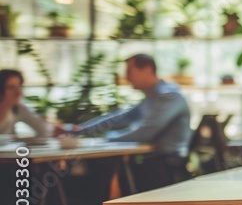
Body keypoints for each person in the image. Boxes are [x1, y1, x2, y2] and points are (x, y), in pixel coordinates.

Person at [66, 54, 192, 189]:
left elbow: (145, 133)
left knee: (101, 169)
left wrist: (103, 141)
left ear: (147, 70)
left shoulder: (169, 96)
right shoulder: (151, 98)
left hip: (168, 165)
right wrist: (78, 130)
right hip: (153, 161)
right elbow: (119, 119)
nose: (127, 77)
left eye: (129, 71)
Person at [0, 69, 51, 137]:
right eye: (11, 88)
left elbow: (44, 129)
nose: (18, 93)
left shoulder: (18, 109)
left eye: (19, 87)